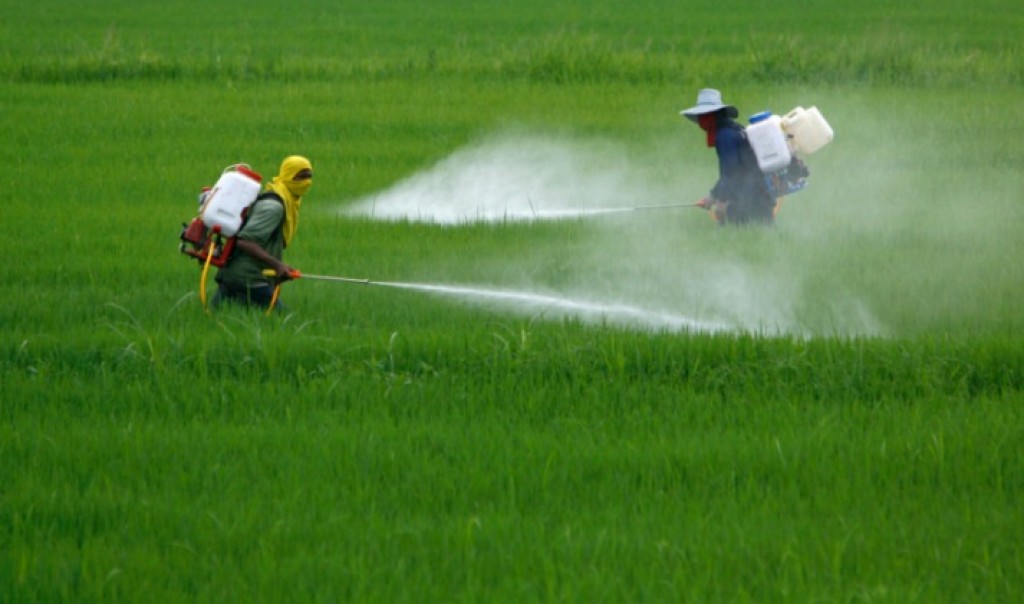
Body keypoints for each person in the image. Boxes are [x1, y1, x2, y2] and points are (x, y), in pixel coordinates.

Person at [212, 155, 314, 310]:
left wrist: (277, 269)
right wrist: (277, 265)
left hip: (234, 274)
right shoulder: (273, 207)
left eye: (309, 176)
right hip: (249, 277)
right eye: (300, 177)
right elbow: (245, 241)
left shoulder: (282, 199)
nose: (306, 182)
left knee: (219, 316)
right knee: (283, 321)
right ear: (287, 176)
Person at [681, 89, 776, 226]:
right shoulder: (735, 129)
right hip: (760, 194)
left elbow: (731, 173)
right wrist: (715, 196)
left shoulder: (724, 136)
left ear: (713, 115)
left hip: (748, 198)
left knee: (736, 236)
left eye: (704, 116)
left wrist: (716, 198)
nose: (701, 121)